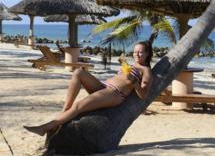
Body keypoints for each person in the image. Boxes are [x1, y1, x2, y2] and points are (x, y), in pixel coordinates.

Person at [24, 41, 153, 137]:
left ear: (147, 54)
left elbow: (143, 95)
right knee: (78, 72)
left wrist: (135, 83)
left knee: (79, 106)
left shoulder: (146, 71)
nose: (136, 54)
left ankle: (45, 128)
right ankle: (65, 110)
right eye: (135, 51)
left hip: (114, 94)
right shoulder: (130, 65)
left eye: (140, 52)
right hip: (103, 87)